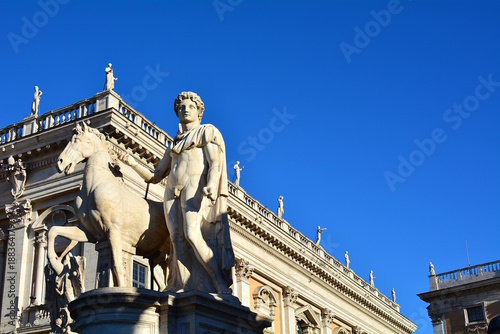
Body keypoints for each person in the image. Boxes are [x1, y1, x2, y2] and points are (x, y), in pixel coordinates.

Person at [120, 91, 234, 294]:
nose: (185, 109)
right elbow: (155, 175)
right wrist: (131, 163)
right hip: (171, 191)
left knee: (191, 233)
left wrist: (212, 183)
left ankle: (219, 283)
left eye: (190, 106)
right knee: (176, 240)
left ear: (199, 112)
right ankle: (182, 285)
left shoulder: (205, 133)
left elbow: (215, 162)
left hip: (194, 187)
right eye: (181, 107)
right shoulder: (174, 145)